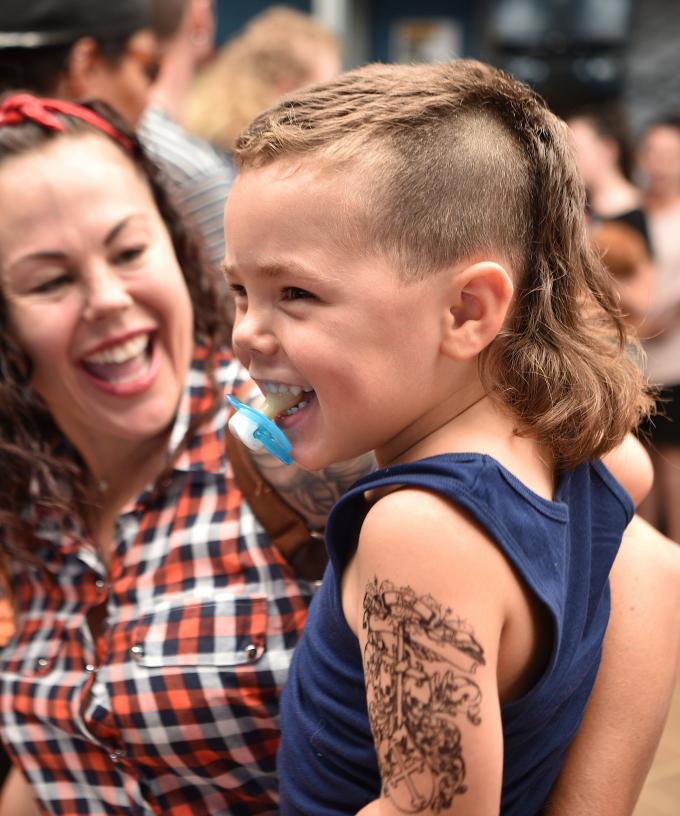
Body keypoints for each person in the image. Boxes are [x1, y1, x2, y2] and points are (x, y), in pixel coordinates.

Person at [223, 59, 667, 815]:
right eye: (239, 291)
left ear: (467, 309)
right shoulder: (591, 460)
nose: (244, 335)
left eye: (295, 294)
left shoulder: (418, 532)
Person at [0, 93, 371, 815]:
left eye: (130, 251)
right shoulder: (27, 497)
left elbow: (629, 555)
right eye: (50, 281)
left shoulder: (293, 425)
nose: (107, 298)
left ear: (176, 244)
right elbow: (74, 746)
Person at [0, 0, 235, 281]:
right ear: (84, 65)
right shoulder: (181, 172)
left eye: (128, 254)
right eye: (149, 67)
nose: (109, 299)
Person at [185, 5, 342, 156]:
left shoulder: (197, 122)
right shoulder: (250, 162)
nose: (334, 103)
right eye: (325, 90)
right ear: (287, 89)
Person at [636, 115, 680, 543]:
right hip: (634, 367)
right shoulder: (630, 213)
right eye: (655, 154)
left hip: (675, 367)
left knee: (674, 476)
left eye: (672, 155)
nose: (662, 164)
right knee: (638, 477)